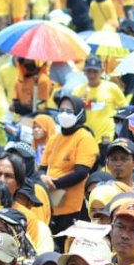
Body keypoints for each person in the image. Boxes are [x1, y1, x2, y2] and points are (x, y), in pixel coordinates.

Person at [42, 95, 99, 235]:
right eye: (61, 110)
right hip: (51, 202)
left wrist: (54, 183)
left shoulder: (84, 137)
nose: (64, 114)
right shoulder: (55, 138)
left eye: (69, 111)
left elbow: (81, 172)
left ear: (79, 113)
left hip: (73, 205)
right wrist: (43, 178)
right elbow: (42, 167)